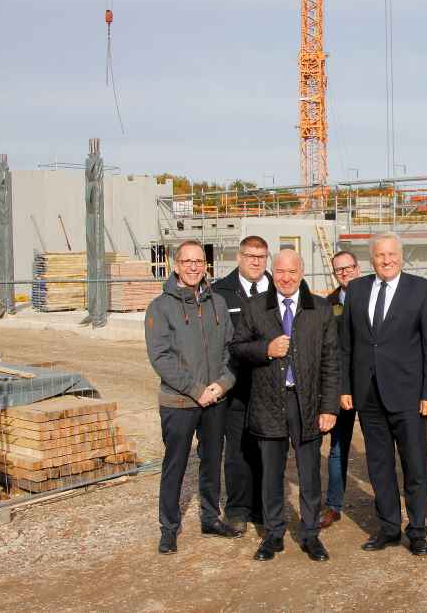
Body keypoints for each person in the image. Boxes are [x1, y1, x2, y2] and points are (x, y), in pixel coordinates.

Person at [231, 249, 340, 562]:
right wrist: (265, 348)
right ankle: (273, 535)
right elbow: (237, 348)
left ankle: (310, 534)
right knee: (271, 474)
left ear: (302, 272)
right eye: (280, 271)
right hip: (269, 401)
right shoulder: (255, 307)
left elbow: (331, 361)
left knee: (309, 473)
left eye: (292, 271)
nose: (286, 277)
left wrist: (329, 407)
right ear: (272, 272)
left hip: (307, 402)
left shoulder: (319, 309)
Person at [339, 232, 427, 556]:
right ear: (372, 259)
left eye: (391, 254)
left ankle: (418, 531)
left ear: (401, 256)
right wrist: (345, 387)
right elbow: (346, 345)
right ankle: (388, 528)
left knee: (414, 466)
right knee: (379, 465)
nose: (386, 260)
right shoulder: (356, 290)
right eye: (380, 255)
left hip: (409, 396)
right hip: (368, 395)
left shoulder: (422, 290)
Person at [145, 239, 238, 555]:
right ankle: (169, 528)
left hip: (215, 400)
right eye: (188, 261)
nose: (194, 267)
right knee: (176, 464)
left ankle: (210, 518)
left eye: (199, 261)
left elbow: (230, 349)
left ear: (206, 265)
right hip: (180, 402)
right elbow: (161, 358)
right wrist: (197, 390)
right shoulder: (161, 306)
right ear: (176, 265)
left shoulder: (217, 303)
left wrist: (222, 384)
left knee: (212, 461)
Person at [211, 235, 268, 534]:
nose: (256, 262)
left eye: (261, 257)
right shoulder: (220, 292)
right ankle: (237, 509)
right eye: (250, 256)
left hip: (269, 386)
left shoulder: (278, 288)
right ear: (239, 257)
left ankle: (262, 507)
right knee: (236, 450)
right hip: (234, 385)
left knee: (267, 450)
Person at [319, 250, 361, 530]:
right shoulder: (327, 304)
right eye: (339, 270)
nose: (344, 273)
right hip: (341, 386)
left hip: (372, 385)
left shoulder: (374, 295)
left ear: (358, 268)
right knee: (337, 448)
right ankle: (334, 505)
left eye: (348, 268)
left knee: (383, 448)